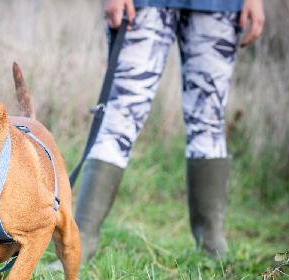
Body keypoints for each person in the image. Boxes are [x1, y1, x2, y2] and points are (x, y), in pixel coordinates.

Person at [75, 0, 265, 261]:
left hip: (220, 5)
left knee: (209, 121)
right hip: (144, 5)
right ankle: (78, 246)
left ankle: (212, 249)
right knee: (119, 119)